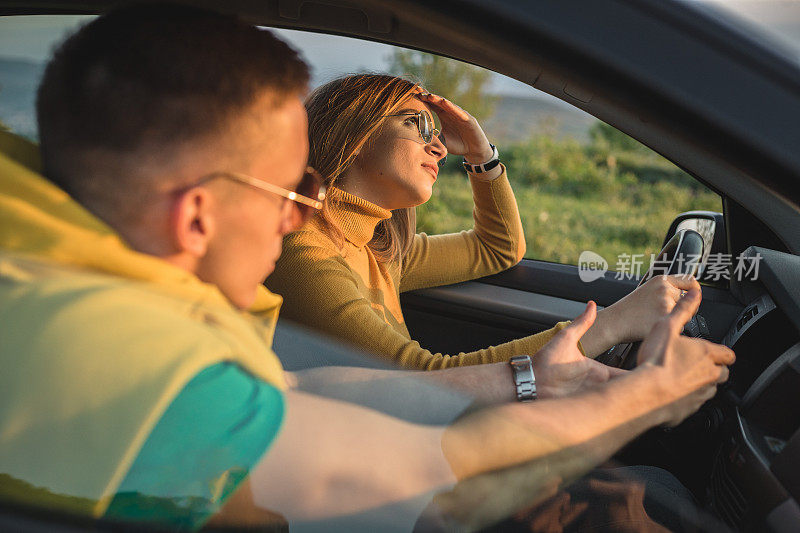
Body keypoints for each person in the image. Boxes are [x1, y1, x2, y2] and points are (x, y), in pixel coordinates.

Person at [0, 3, 734, 531]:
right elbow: (436, 489)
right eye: (291, 188)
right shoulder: (118, 355)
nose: (297, 215)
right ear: (196, 214)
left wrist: (535, 377)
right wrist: (649, 396)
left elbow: (293, 387)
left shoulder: (88, 283)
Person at [266, 73, 698, 370]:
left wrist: (481, 154)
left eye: (437, 133)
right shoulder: (302, 252)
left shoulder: (378, 247)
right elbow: (421, 377)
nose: (438, 146)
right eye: (417, 124)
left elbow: (499, 247)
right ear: (354, 133)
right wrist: (611, 325)